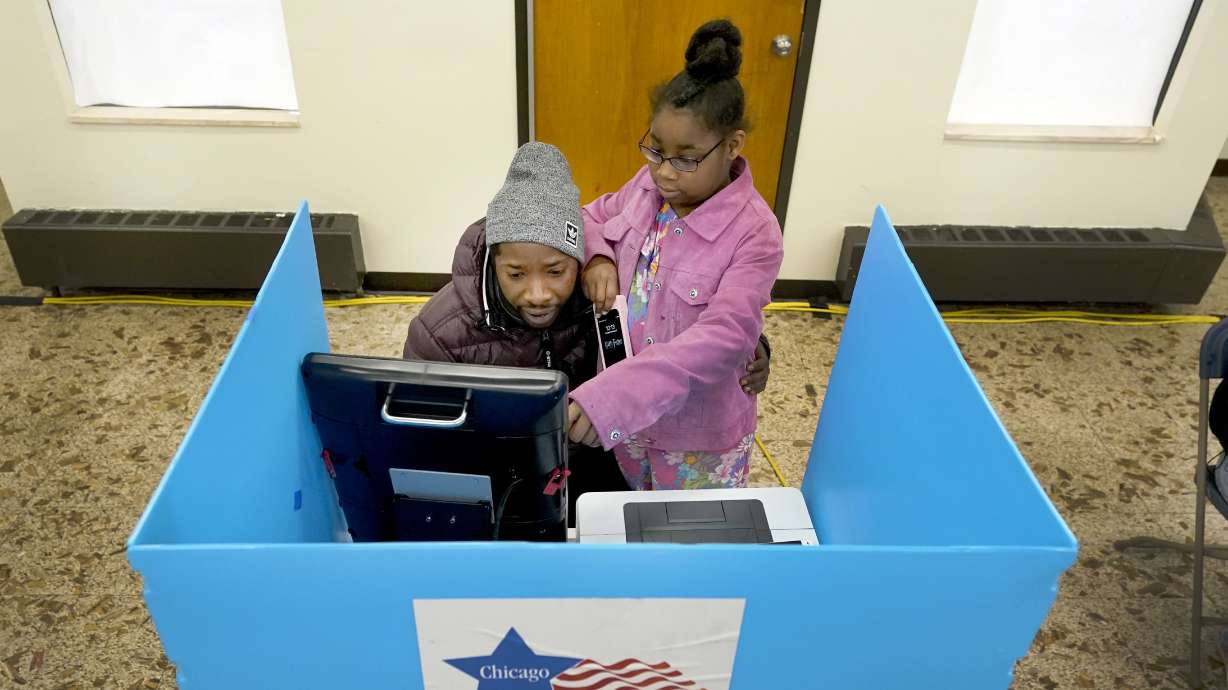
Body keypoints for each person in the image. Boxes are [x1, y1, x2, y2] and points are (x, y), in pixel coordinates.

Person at [402, 142, 771, 510]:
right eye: (515, 274)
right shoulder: (438, 333)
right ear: (493, 261)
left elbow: (674, 324)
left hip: (597, 461)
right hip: (496, 476)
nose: (538, 294)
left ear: (579, 260)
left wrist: (753, 351)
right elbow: (422, 441)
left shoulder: (604, 299)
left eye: (556, 272)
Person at [566, 19, 785, 492]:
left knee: (690, 542)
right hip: (630, 422)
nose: (664, 173)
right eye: (655, 150)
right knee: (633, 523)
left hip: (697, 439)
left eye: (685, 158)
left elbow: (726, 336)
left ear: (732, 146)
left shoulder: (756, 233)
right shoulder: (648, 186)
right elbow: (588, 215)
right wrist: (598, 258)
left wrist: (616, 395)